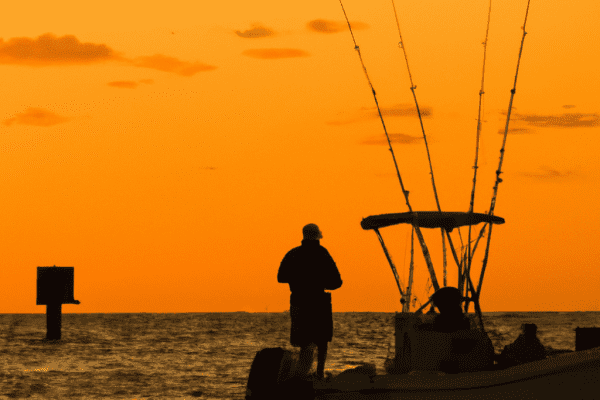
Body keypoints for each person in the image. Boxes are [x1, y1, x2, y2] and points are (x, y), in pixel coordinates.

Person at [278, 223, 342, 380]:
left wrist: (298, 280)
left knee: (303, 339)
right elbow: (337, 282)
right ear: (317, 236)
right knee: (321, 340)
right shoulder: (322, 254)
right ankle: (319, 373)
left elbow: (281, 277)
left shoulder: (293, 254)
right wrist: (319, 283)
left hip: (299, 301)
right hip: (318, 302)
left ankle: (301, 374)